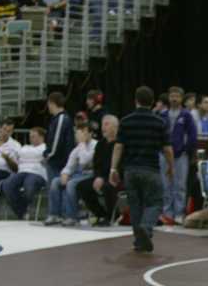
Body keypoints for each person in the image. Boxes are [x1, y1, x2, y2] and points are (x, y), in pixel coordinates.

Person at [110, 85, 174, 253]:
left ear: (135, 101)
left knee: (135, 205)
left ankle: (139, 241)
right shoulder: (160, 122)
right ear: (152, 102)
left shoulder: (126, 121)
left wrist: (113, 169)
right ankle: (146, 227)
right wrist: (171, 167)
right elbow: (167, 149)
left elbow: (118, 147)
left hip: (130, 170)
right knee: (155, 202)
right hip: (151, 169)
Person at [44, 123, 96, 227]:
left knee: (71, 184)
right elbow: (69, 165)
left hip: (90, 174)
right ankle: (55, 214)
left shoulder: (95, 145)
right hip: (78, 174)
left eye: (82, 132)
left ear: (90, 133)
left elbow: (85, 160)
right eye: (77, 133)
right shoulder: (77, 148)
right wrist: (64, 174)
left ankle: (72, 217)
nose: (78, 136)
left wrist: (81, 144)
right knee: (55, 181)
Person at [159, 86, 197, 225]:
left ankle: (179, 213)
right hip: (164, 155)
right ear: (168, 98)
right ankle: (167, 212)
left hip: (181, 155)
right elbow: (157, 134)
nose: (174, 99)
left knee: (180, 185)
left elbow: (193, 135)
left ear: (182, 98)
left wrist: (186, 150)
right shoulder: (162, 115)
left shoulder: (186, 115)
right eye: (172, 96)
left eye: (177, 96)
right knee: (165, 185)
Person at [74, 114, 118, 226]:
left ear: (115, 126)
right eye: (103, 124)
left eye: (106, 124)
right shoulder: (101, 144)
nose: (103, 127)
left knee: (108, 186)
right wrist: (98, 176)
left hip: (116, 176)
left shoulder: (120, 144)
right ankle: (100, 214)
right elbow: (96, 164)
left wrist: (103, 178)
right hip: (101, 176)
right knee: (81, 186)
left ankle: (111, 216)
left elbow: (119, 165)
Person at [1, 127, 47, 219]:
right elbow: (17, 159)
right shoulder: (25, 147)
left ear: (41, 137)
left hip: (37, 173)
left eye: (34, 136)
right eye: (30, 136)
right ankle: (22, 211)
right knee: (6, 184)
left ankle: (22, 210)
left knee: (29, 185)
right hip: (21, 172)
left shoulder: (45, 148)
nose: (31, 138)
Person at [44, 92, 75, 188]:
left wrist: (48, 155)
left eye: (48, 104)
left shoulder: (61, 118)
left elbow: (57, 141)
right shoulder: (58, 118)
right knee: (55, 190)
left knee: (56, 190)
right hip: (57, 160)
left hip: (58, 161)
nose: (48, 106)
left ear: (52, 103)